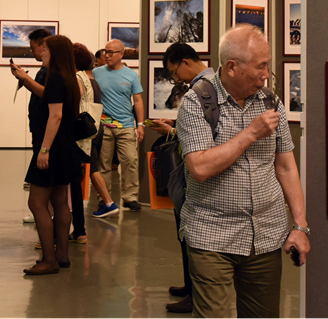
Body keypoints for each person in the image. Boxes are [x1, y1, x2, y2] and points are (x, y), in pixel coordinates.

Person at [175, 25, 309, 318]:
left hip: (265, 236)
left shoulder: (271, 102)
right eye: (261, 66)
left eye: (268, 66)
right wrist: (250, 133)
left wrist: (300, 226)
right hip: (211, 235)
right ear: (232, 67)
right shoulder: (196, 103)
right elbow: (199, 167)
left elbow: (286, 167)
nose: (266, 74)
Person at [146, 43, 213, 314]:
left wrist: (173, 132)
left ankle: (195, 295)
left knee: (192, 237)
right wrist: (174, 127)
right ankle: (190, 287)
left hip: (194, 176)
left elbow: (206, 136)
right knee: (185, 234)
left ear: (185, 62)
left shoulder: (204, 89)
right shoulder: (205, 85)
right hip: (187, 170)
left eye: (175, 72)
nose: (176, 79)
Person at [16, 34, 80, 275]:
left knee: (36, 202)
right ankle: (62, 255)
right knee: (61, 201)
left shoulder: (54, 78)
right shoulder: (70, 78)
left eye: (46, 50)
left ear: (55, 54)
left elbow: (56, 116)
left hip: (52, 147)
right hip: (66, 147)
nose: (41, 53)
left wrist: (44, 150)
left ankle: (49, 259)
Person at [92, 39, 145, 213]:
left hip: (126, 125)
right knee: (104, 164)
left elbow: (138, 101)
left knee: (130, 161)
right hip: (104, 125)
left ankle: (130, 198)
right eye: (105, 52)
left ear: (121, 54)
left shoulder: (131, 75)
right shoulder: (96, 73)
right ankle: (104, 198)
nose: (107, 55)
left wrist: (141, 124)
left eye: (111, 52)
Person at [69, 43, 115, 240]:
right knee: (91, 167)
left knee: (89, 169)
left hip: (84, 132)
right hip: (95, 128)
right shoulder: (92, 80)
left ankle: (108, 201)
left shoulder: (79, 79)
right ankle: (107, 202)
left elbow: (77, 99)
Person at [11, 29, 52, 219]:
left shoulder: (50, 71)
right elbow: (38, 91)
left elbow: (46, 94)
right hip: (39, 129)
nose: (31, 51)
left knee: (44, 180)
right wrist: (23, 78)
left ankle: (46, 216)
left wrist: (25, 78)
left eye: (33, 47)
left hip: (45, 132)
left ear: (43, 46)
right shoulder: (44, 70)